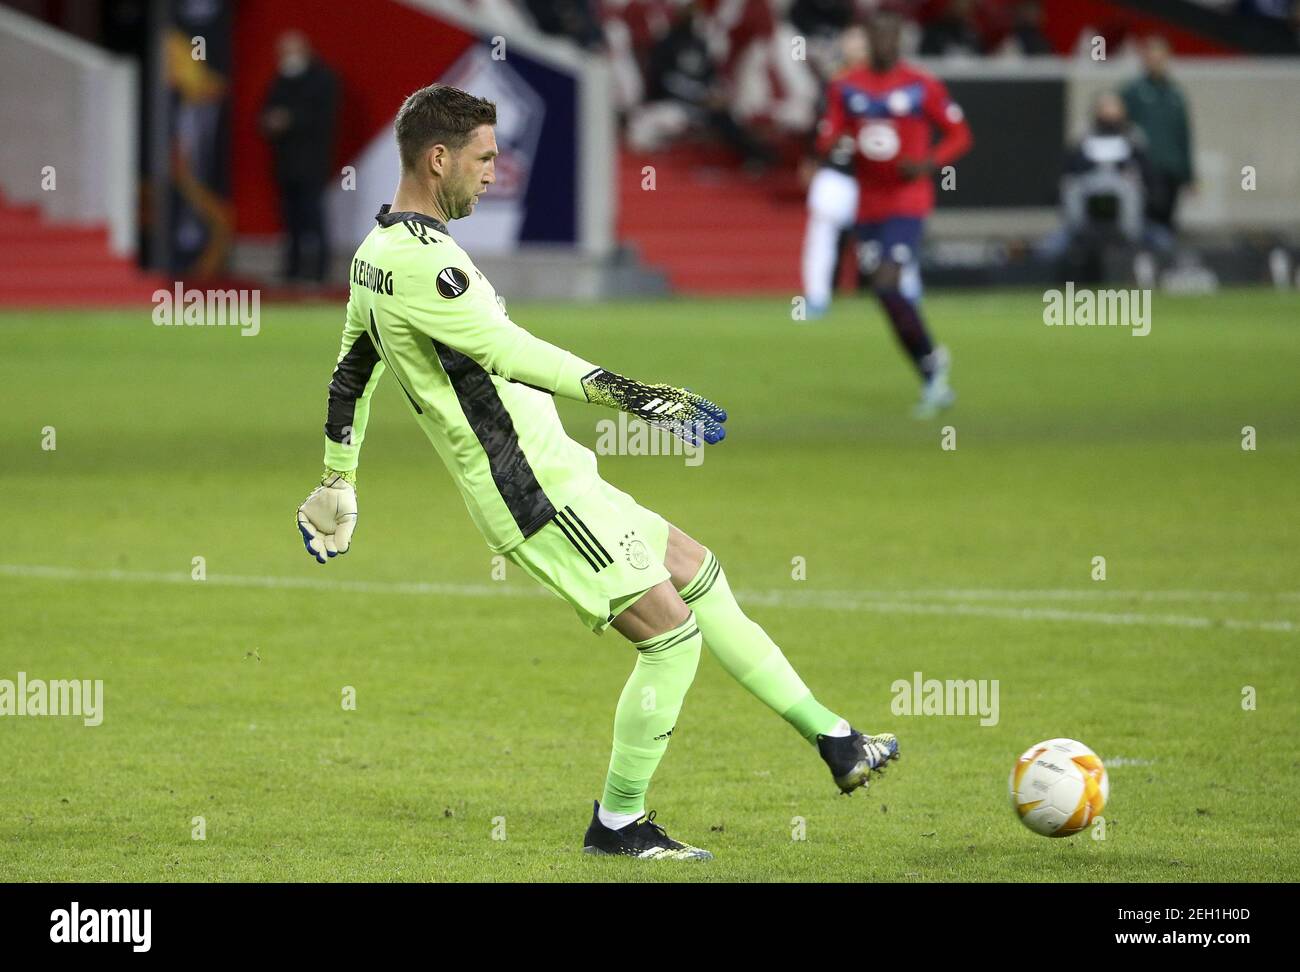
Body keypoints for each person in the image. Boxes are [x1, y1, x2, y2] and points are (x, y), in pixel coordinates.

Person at [295, 83, 899, 861]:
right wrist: (636, 395)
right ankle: (618, 825)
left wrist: (339, 477)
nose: (491, 171)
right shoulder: (424, 266)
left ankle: (836, 740)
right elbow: (514, 356)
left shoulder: (378, 253)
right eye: (482, 158)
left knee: (698, 572)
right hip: (531, 490)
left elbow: (352, 368)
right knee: (672, 641)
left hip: (560, 475)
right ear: (437, 158)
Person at [813, 12, 973, 417]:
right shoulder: (846, 87)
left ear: (899, 42)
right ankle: (931, 363)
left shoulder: (922, 85)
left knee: (888, 279)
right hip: (868, 204)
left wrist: (928, 162)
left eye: (890, 37)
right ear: (868, 41)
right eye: (876, 37)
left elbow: (960, 134)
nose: (883, 44)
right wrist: (833, 144)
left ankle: (932, 368)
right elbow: (829, 133)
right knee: (885, 294)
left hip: (907, 201)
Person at [800, 23, 869, 318]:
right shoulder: (835, 83)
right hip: (837, 169)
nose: (853, 47)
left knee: (882, 238)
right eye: (850, 42)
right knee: (822, 234)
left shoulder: (886, 80)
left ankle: (897, 294)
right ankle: (817, 298)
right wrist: (812, 158)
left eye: (859, 42)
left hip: (873, 175)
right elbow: (819, 126)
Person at [260, 31, 339, 284]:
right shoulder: (279, 80)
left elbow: (323, 118)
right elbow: (264, 111)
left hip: (312, 161)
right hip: (285, 162)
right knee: (289, 217)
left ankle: (318, 270)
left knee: (312, 215)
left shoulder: (322, 79)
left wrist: (289, 120)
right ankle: (293, 267)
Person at [1121, 36, 1195, 239]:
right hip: (1145, 171)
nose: (1156, 61)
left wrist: (1189, 175)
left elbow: (1184, 135)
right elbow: (1122, 129)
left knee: (1168, 222)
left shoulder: (1175, 94)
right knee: (1145, 222)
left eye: (1160, 57)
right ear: (1144, 59)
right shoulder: (1132, 91)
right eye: (1151, 56)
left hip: (1171, 169)